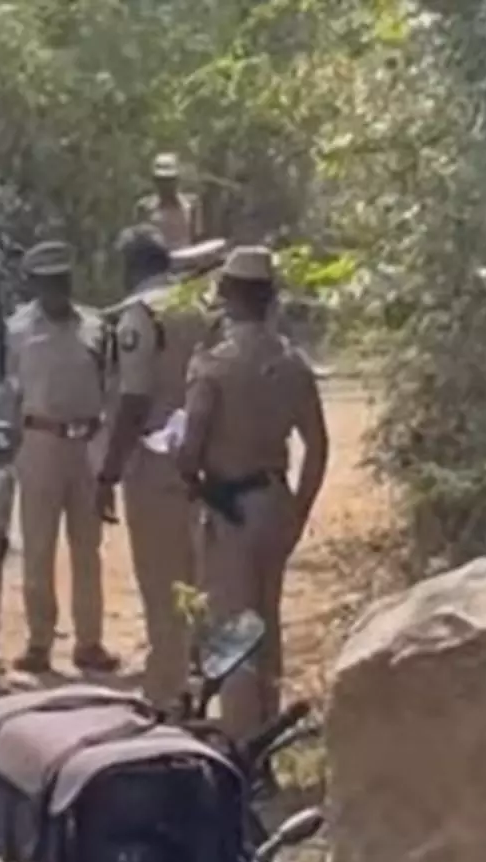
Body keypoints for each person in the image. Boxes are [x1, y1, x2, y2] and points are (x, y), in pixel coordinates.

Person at [175, 245, 329, 739]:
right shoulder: (292, 364)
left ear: (229, 295)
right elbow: (317, 445)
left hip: (230, 509)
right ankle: (268, 735)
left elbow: (191, 446)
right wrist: (298, 511)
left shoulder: (214, 366)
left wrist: (187, 470)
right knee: (268, 623)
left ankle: (243, 744)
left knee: (236, 630)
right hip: (274, 502)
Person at [96, 225, 218, 706]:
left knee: (161, 579)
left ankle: (167, 692)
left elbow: (133, 400)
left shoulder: (140, 315)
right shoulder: (199, 307)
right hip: (206, 459)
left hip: (154, 462)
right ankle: (203, 680)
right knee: (198, 574)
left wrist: (109, 472)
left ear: (131, 268)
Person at [6, 241, 120, 675]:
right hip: (39, 443)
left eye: (63, 280)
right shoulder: (16, 331)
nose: (58, 289)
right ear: (35, 284)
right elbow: (7, 392)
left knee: (87, 548)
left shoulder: (96, 327)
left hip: (87, 443)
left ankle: (89, 642)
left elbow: (111, 386)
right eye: (49, 282)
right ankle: (39, 641)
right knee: (38, 547)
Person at [135, 153, 204, 250]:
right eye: (161, 180)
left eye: (170, 180)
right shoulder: (144, 207)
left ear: (177, 180)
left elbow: (197, 240)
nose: (166, 185)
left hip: (186, 256)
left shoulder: (191, 205)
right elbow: (140, 243)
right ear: (155, 181)